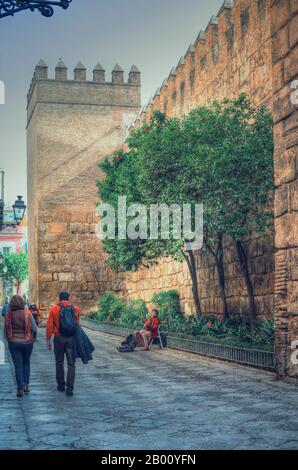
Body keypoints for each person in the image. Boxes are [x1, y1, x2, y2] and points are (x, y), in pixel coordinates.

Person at [46, 292, 80, 397]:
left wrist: (48, 340)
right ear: (68, 298)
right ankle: (69, 389)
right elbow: (77, 324)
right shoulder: (76, 309)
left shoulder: (54, 309)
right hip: (71, 339)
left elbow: (49, 326)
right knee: (71, 364)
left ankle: (61, 385)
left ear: (59, 298)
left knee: (59, 362)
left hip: (58, 338)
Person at [4, 295, 37, 397]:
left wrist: (8, 339)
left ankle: (19, 389)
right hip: (27, 343)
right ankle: (26, 385)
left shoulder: (8, 314)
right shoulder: (27, 313)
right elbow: (34, 328)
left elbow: (5, 328)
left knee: (18, 366)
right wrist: (33, 338)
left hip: (13, 342)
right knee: (26, 363)